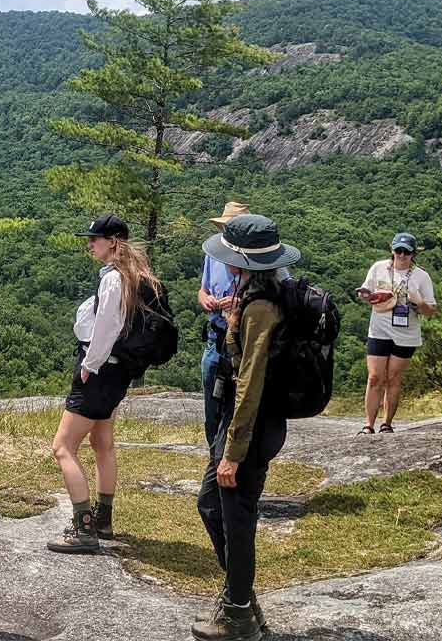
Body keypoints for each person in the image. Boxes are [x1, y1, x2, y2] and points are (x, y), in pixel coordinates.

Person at [193, 214, 299, 641]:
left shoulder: (259, 307)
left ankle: (238, 612)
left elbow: (251, 381)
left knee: (235, 514)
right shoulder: (259, 291)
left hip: (251, 426)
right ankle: (241, 596)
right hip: (249, 423)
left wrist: (233, 452)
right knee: (211, 503)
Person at [47, 213, 163, 555]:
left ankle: (84, 529)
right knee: (102, 442)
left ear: (113, 241)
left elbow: (106, 328)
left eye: (95, 239)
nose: (90, 244)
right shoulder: (136, 275)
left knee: (62, 447)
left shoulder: (114, 279)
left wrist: (88, 365)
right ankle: (103, 520)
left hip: (100, 371)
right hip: (117, 372)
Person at [356, 232, 437, 435]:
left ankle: (386, 424)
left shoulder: (421, 276)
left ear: (413, 254)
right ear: (392, 251)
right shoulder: (378, 268)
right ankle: (368, 424)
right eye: (398, 251)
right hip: (379, 329)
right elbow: (365, 292)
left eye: (406, 252)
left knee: (393, 378)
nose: (402, 255)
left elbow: (430, 312)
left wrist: (419, 302)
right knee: (375, 377)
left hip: (406, 334)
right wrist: (367, 295)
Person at [198, 201, 250, 448]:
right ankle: (213, 452)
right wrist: (206, 299)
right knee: (211, 400)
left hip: (243, 340)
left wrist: (240, 302)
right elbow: (203, 289)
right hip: (215, 337)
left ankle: (231, 453)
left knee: (237, 401)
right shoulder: (213, 253)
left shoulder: (257, 257)